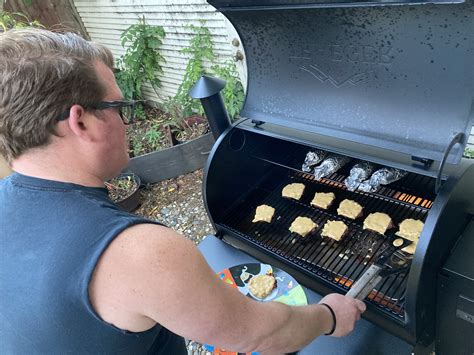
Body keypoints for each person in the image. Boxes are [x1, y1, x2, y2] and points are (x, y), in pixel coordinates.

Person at [0, 28, 366, 354]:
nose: (125, 123)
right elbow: (258, 335)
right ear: (80, 121)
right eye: (119, 107)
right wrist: (329, 316)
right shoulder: (137, 253)